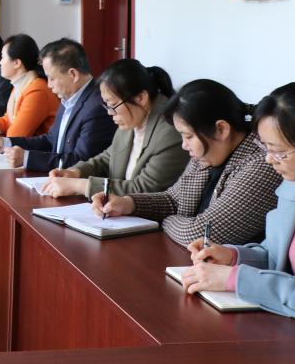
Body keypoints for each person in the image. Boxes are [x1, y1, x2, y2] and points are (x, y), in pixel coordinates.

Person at [93, 79, 281, 247]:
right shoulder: (210, 152)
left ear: (221, 129)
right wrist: (129, 204)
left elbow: (202, 234)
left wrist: (164, 220)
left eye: (189, 136)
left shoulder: (263, 163)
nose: (184, 145)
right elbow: (174, 199)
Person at [182, 82, 295, 322]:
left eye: (279, 151)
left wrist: (235, 279)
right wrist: (232, 257)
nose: (269, 160)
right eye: (265, 147)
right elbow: (277, 257)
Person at [40, 58, 188, 198]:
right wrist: (75, 172)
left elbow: (144, 189)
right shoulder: (134, 117)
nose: (110, 113)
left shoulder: (169, 131)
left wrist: (79, 185)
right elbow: (107, 158)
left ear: (141, 98)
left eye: (113, 105)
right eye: (107, 105)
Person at [0, 38, 115, 170]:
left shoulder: (97, 107)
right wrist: (7, 143)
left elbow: (80, 162)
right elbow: (50, 140)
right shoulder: (68, 98)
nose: (49, 85)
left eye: (51, 78)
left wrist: (26, 158)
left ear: (73, 74)